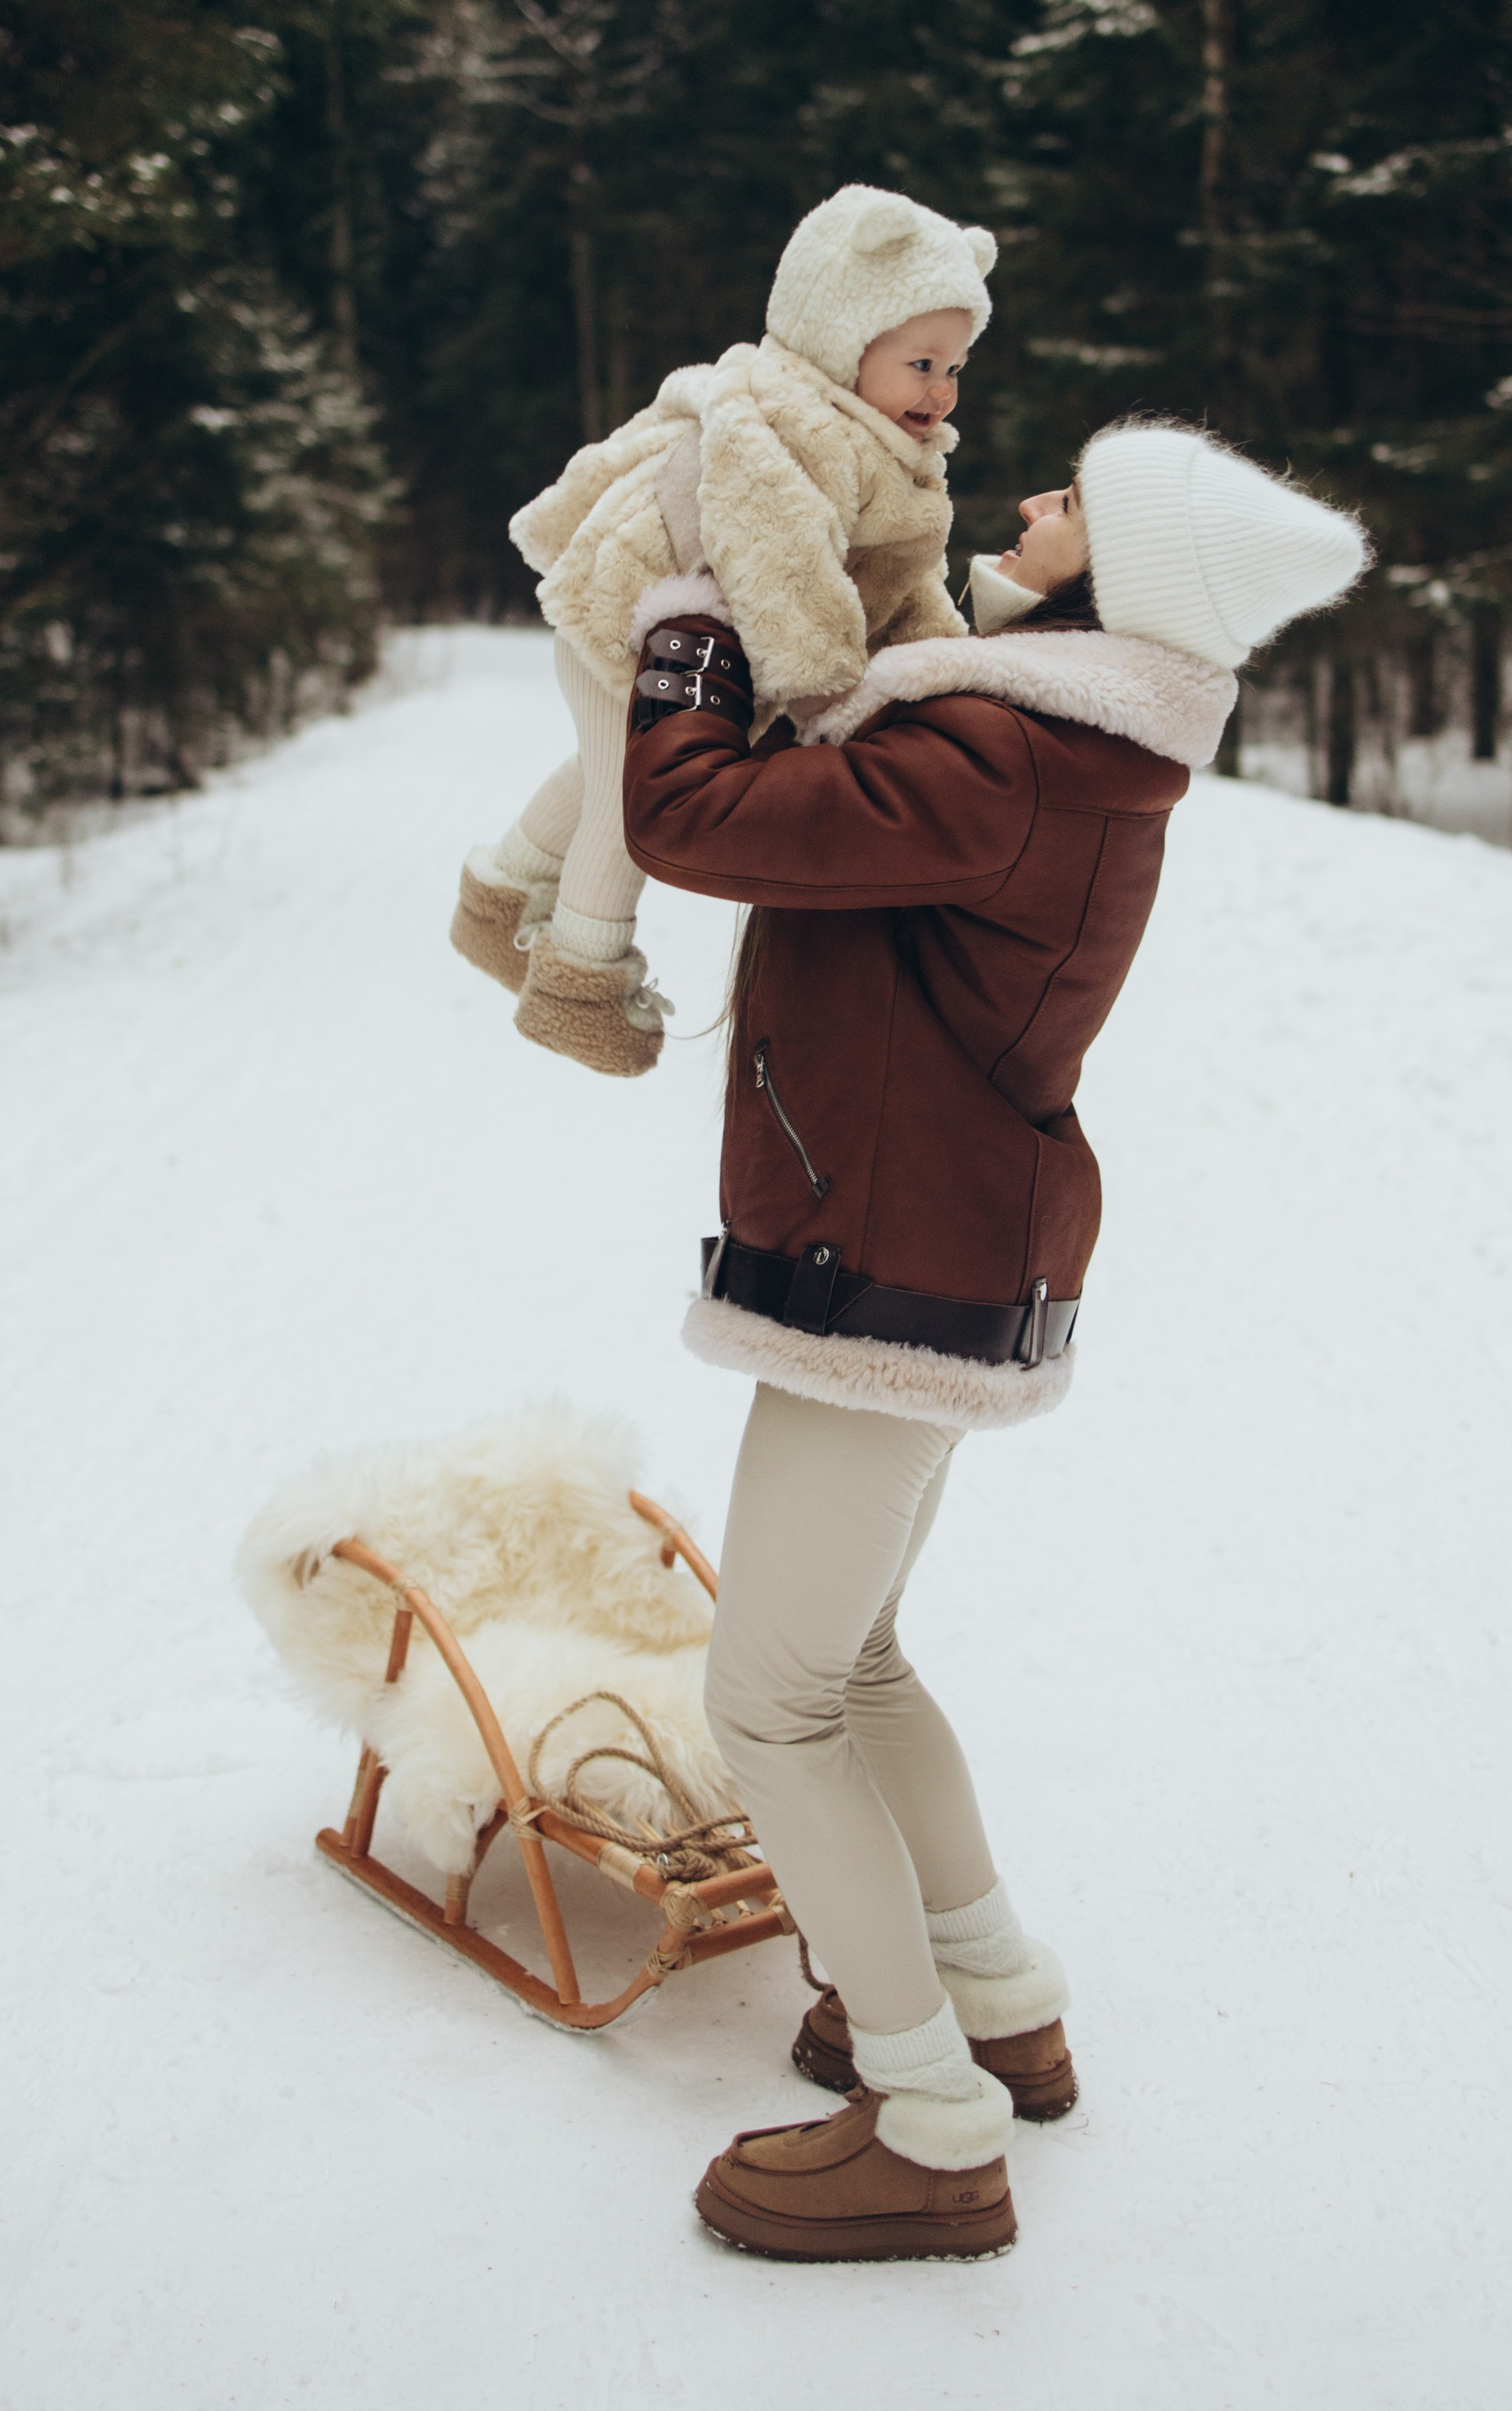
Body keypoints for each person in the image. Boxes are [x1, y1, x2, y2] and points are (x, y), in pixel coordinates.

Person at [619, 414, 1369, 2263]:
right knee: (855, 1661)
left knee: (767, 1700)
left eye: (1075, 504)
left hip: (888, 1256)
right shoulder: (1057, 739)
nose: (1034, 500)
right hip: (937, 1241)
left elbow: (692, 817)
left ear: (1120, 575)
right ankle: (996, 2006)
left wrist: (689, 616)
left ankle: (928, 2122)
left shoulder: (1007, 754)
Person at [450, 182, 994, 1077]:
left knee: (599, 768)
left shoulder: (885, 448)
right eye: (922, 363)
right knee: (629, 798)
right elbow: (783, 562)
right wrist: (829, 696)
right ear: (841, 334)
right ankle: (581, 984)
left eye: (956, 368)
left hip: (675, 640)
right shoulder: (785, 424)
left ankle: (498, 902)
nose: (941, 390)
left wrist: (946, 668)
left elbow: (900, 581)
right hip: (629, 618)